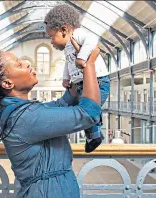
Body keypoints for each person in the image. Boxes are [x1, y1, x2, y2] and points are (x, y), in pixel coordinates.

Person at [0, 47, 101, 198]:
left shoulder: (23, 111)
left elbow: (61, 106)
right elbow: (89, 113)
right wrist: (90, 66)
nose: (26, 63)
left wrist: (73, 80)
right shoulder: (25, 117)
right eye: (18, 64)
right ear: (7, 84)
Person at [44, 4, 110, 153]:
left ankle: (94, 137)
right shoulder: (68, 46)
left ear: (64, 30)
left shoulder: (77, 35)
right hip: (78, 84)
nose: (51, 42)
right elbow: (68, 63)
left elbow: (92, 41)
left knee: (87, 111)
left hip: (97, 82)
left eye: (51, 36)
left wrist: (81, 58)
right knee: (70, 106)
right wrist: (66, 78)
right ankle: (94, 135)